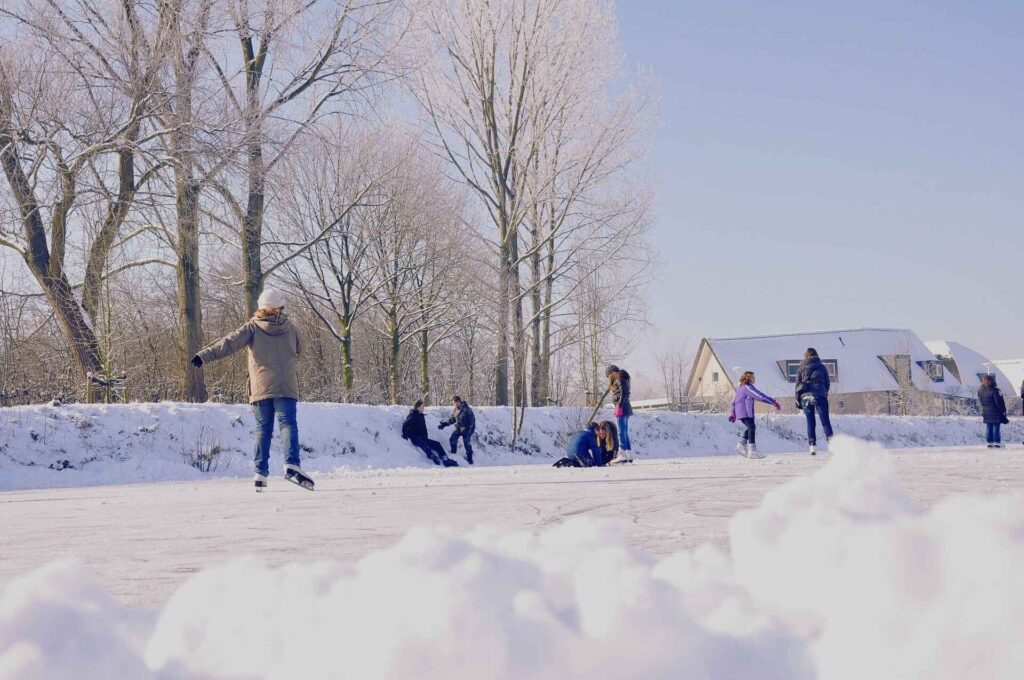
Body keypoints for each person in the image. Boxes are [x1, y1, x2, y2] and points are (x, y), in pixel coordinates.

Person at [191, 288, 312, 491]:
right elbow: (301, 348)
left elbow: (229, 343)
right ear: (280, 307)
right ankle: (292, 464)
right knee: (287, 425)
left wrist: (203, 355)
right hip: (286, 386)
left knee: (263, 430)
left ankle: (260, 473)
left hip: (261, 386)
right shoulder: (291, 327)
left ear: (260, 307)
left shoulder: (252, 328)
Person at [730, 371, 781, 458]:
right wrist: (772, 402)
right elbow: (759, 395)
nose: (755, 379)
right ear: (748, 378)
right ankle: (752, 450)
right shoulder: (747, 387)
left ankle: (742, 444)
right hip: (745, 411)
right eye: (753, 377)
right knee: (751, 427)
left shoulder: (740, 388)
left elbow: (733, 402)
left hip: (743, 411)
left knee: (751, 427)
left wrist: (733, 413)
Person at [795, 347, 833, 455]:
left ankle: (812, 446)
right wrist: (824, 392)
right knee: (825, 420)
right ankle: (831, 443)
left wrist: (797, 399)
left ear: (805, 356)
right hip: (819, 395)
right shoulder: (821, 367)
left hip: (805, 396)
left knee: (810, 421)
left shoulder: (801, 368)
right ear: (816, 355)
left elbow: (797, 385)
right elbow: (827, 383)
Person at [402, 400, 458, 467]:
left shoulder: (421, 416)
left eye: (423, 406)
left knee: (437, 444)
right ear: (417, 408)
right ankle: (432, 456)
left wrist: (425, 436)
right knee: (424, 444)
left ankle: (445, 458)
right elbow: (405, 424)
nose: (423, 408)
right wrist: (404, 434)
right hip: (415, 438)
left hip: (422, 437)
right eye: (422, 407)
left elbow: (423, 427)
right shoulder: (412, 416)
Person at [605, 365, 634, 464]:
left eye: (609, 376)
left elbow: (623, 394)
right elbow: (624, 394)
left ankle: (622, 454)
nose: (609, 379)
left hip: (622, 408)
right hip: (625, 408)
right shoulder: (623, 379)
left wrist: (619, 406)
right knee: (624, 432)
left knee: (621, 431)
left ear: (612, 374)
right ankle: (628, 454)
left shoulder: (620, 380)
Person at [438, 395, 476, 464]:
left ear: (458, 402)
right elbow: (452, 419)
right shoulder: (455, 409)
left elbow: (472, 422)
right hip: (458, 428)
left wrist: (470, 432)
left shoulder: (467, 409)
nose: (453, 405)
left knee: (466, 444)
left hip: (466, 429)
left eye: (454, 403)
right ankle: (454, 454)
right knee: (452, 439)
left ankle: (470, 458)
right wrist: (444, 424)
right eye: (453, 403)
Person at [978, 374, 1008, 448]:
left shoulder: (982, 391)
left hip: (986, 411)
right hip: (995, 411)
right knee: (996, 427)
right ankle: (997, 442)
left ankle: (989, 442)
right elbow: (998, 402)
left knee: (989, 427)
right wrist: (1003, 410)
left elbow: (980, 401)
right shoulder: (995, 390)